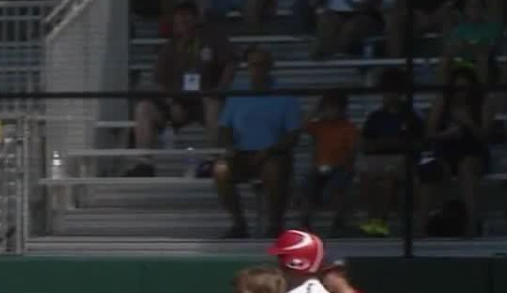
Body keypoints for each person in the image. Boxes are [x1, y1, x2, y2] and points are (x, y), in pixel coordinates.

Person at [124, 1, 237, 177]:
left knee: (212, 103)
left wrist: (221, 89)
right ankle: (144, 164)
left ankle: (213, 160)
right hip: (177, 103)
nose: (183, 20)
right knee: (143, 108)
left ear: (196, 18)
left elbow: (230, 62)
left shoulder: (212, 38)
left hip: (205, 100)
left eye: (187, 15)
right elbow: (157, 83)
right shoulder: (169, 47)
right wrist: (170, 103)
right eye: (179, 17)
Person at [213, 47, 303, 238]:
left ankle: (275, 224)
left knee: (274, 169)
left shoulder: (285, 96)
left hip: (273, 154)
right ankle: (239, 225)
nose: (258, 69)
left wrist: (270, 150)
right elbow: (224, 127)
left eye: (263, 65)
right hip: (242, 154)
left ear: (270, 67)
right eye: (254, 65)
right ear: (248, 67)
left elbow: (293, 134)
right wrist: (230, 146)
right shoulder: (238, 93)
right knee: (220, 170)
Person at [420, 67, 494, 238]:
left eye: (465, 88)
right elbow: (429, 134)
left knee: (466, 166)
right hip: (446, 152)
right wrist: (446, 134)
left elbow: (485, 136)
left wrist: (468, 123)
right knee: (431, 170)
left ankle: (473, 223)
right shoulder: (442, 101)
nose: (461, 93)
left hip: (474, 152)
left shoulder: (484, 103)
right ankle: (420, 225)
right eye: (457, 88)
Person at [358, 69, 424, 237]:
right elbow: (365, 144)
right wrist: (381, 144)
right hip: (378, 158)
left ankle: (380, 222)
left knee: (389, 174)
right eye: (386, 92)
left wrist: (396, 144)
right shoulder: (375, 117)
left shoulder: (411, 116)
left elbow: (419, 143)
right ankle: (371, 219)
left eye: (392, 91)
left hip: (403, 160)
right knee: (365, 175)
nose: (388, 96)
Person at [297, 91, 359, 235]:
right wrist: (315, 110)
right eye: (328, 107)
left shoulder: (349, 128)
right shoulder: (319, 125)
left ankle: (339, 222)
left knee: (338, 188)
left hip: (340, 167)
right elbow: (302, 125)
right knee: (307, 187)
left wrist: (341, 165)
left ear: (342, 109)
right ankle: (305, 222)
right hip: (319, 167)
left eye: (334, 107)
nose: (331, 111)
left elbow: (352, 151)